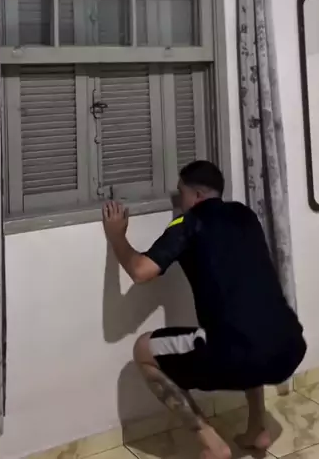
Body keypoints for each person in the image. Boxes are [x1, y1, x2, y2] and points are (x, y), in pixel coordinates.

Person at [102, 160, 306, 459]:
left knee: (143, 350)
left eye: (181, 193)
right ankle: (258, 428)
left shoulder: (189, 223)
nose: (179, 202)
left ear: (196, 195)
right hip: (289, 347)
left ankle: (211, 443)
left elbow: (141, 271)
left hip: (238, 355)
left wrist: (117, 236)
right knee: (250, 326)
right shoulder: (246, 215)